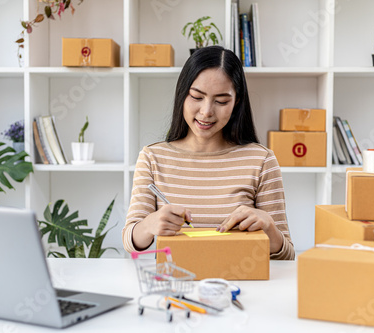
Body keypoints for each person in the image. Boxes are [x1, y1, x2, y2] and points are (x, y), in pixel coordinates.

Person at [122, 46, 294, 260]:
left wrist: (269, 227)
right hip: (177, 282)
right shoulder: (152, 158)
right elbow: (131, 242)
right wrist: (148, 225)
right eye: (196, 97)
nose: (206, 112)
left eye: (221, 101)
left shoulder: (261, 160)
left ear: (236, 102)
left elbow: (286, 255)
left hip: (240, 284)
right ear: (182, 94)